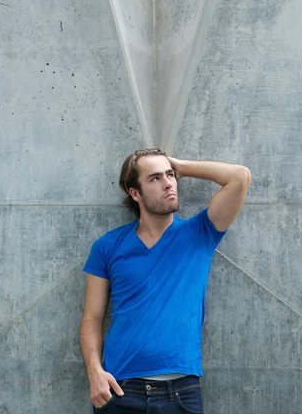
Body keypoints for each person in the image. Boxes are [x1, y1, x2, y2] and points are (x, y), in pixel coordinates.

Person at [80, 148, 251, 413]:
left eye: (170, 175)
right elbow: (92, 317)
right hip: (119, 391)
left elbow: (240, 177)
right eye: (155, 178)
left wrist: (181, 166)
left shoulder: (199, 234)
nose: (168, 183)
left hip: (181, 393)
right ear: (134, 193)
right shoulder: (108, 246)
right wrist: (94, 372)